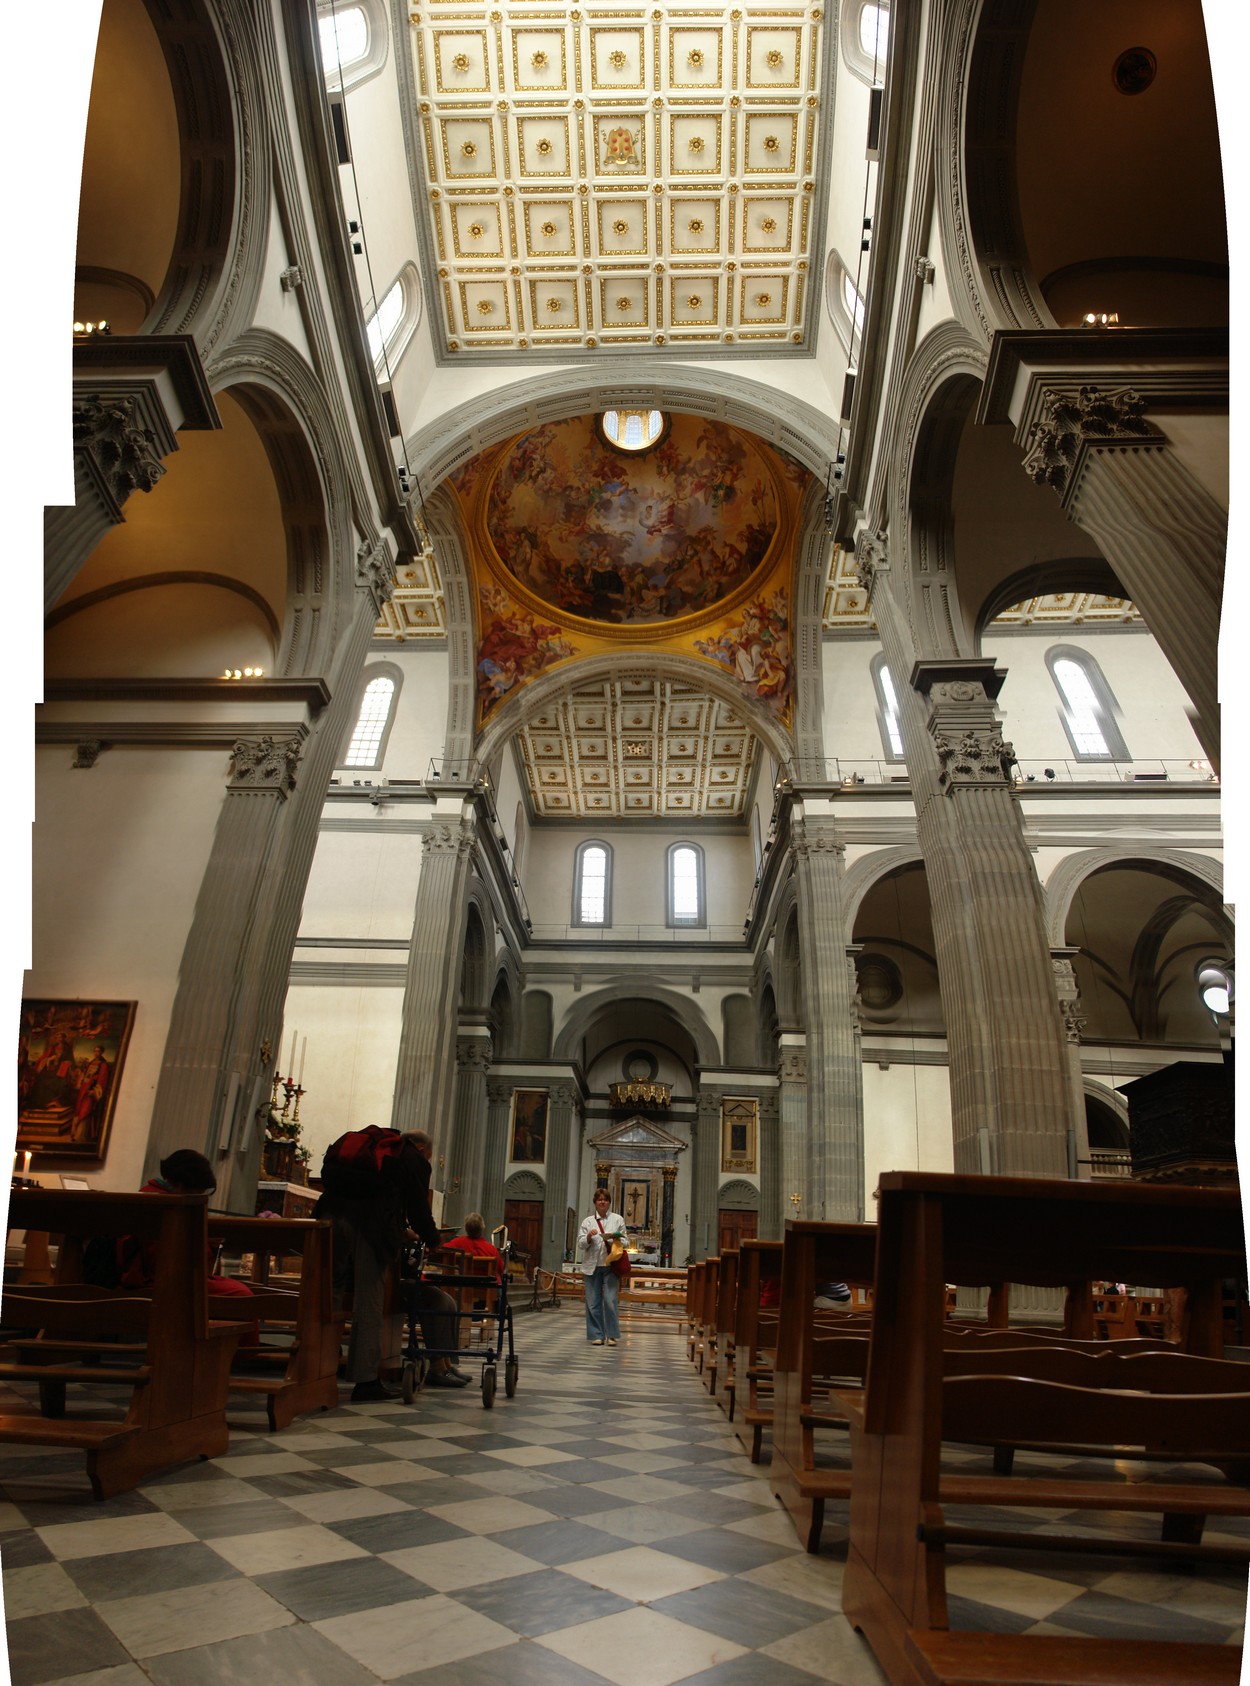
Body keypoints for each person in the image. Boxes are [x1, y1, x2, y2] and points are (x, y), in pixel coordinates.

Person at [316, 1127, 469, 1400]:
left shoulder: (372, 1148)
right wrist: (433, 1239)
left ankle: (316, 1368)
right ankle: (366, 1381)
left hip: (329, 1218)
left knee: (329, 1294)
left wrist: (400, 1229)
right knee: (370, 1298)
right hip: (368, 1228)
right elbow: (418, 1208)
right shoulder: (412, 1159)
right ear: (422, 1149)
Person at [117, 1148, 258, 1343]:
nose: (199, 1195)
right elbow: (171, 1259)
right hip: (161, 1280)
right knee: (241, 1294)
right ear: (183, 1183)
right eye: (198, 1190)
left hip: (156, 1275)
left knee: (234, 1287)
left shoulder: (149, 1195)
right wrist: (207, 1245)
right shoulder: (169, 1205)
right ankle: (240, 1356)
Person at [576, 1187, 627, 1346]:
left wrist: (613, 1238)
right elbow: (580, 1244)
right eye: (599, 1199)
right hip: (592, 1266)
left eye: (605, 1199)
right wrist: (589, 1237)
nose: (602, 1202)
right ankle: (597, 1335)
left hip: (610, 1266)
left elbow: (626, 1242)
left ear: (609, 1202)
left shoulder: (617, 1219)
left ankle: (611, 1335)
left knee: (610, 1300)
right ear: (595, 1202)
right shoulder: (587, 1221)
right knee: (592, 1303)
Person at [442, 1212, 505, 1282]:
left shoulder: (457, 1243)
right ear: (482, 1228)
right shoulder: (491, 1249)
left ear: (466, 1228)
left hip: (464, 1286)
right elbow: (501, 1269)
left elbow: (442, 1250)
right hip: (486, 1288)